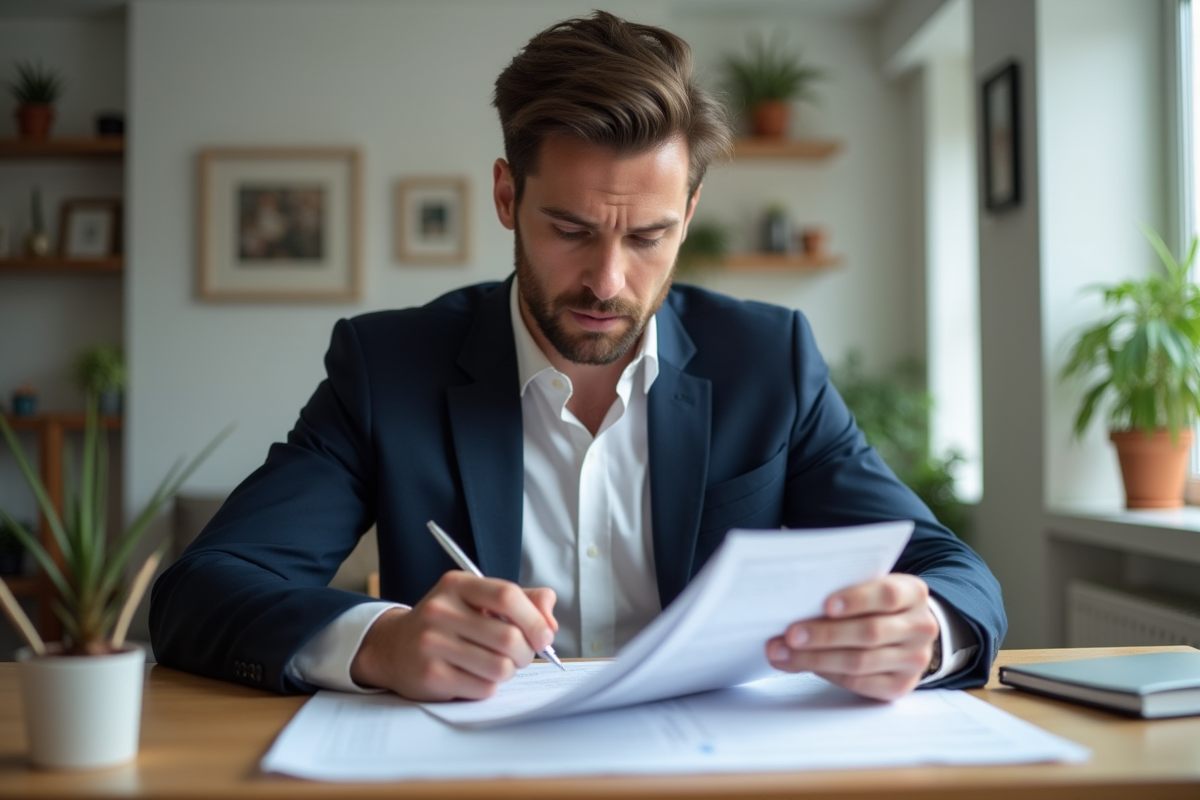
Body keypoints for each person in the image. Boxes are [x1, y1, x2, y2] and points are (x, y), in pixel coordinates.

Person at [151, 11, 1006, 703]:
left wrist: (925, 631)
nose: (607, 279)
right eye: (570, 230)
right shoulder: (388, 367)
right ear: (506, 195)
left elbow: (951, 570)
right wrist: (382, 642)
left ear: (691, 212)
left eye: (648, 236)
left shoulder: (768, 361)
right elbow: (203, 590)